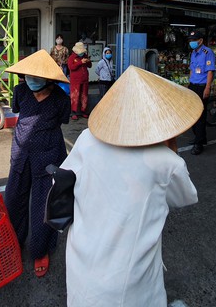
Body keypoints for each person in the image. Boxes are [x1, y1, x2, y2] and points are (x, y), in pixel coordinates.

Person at [61, 65, 200, 307]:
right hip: (127, 278)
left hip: (81, 257)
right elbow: (185, 197)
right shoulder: (167, 162)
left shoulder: (86, 140)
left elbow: (64, 177)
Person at [3, 49, 70, 278]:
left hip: (49, 155)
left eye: (35, 77)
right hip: (21, 153)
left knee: (44, 205)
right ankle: (14, 242)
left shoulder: (61, 98)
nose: (29, 80)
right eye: (27, 76)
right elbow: (17, 111)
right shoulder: (20, 91)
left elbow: (63, 120)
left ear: (49, 78)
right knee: (13, 200)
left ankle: (41, 250)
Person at [186, 28, 215, 155]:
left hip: (202, 86)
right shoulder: (193, 52)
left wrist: (207, 87)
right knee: (192, 114)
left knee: (200, 116)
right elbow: (192, 69)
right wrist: (189, 83)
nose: (191, 42)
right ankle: (199, 137)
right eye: (190, 40)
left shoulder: (207, 52)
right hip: (193, 85)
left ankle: (199, 144)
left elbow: (210, 71)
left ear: (201, 40)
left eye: (194, 40)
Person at [67, 42, 92, 120]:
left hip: (84, 79)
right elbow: (71, 67)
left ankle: (83, 111)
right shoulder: (71, 57)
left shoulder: (85, 56)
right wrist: (80, 62)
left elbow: (90, 66)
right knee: (75, 95)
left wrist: (88, 61)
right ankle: (74, 112)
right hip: (75, 80)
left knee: (84, 95)